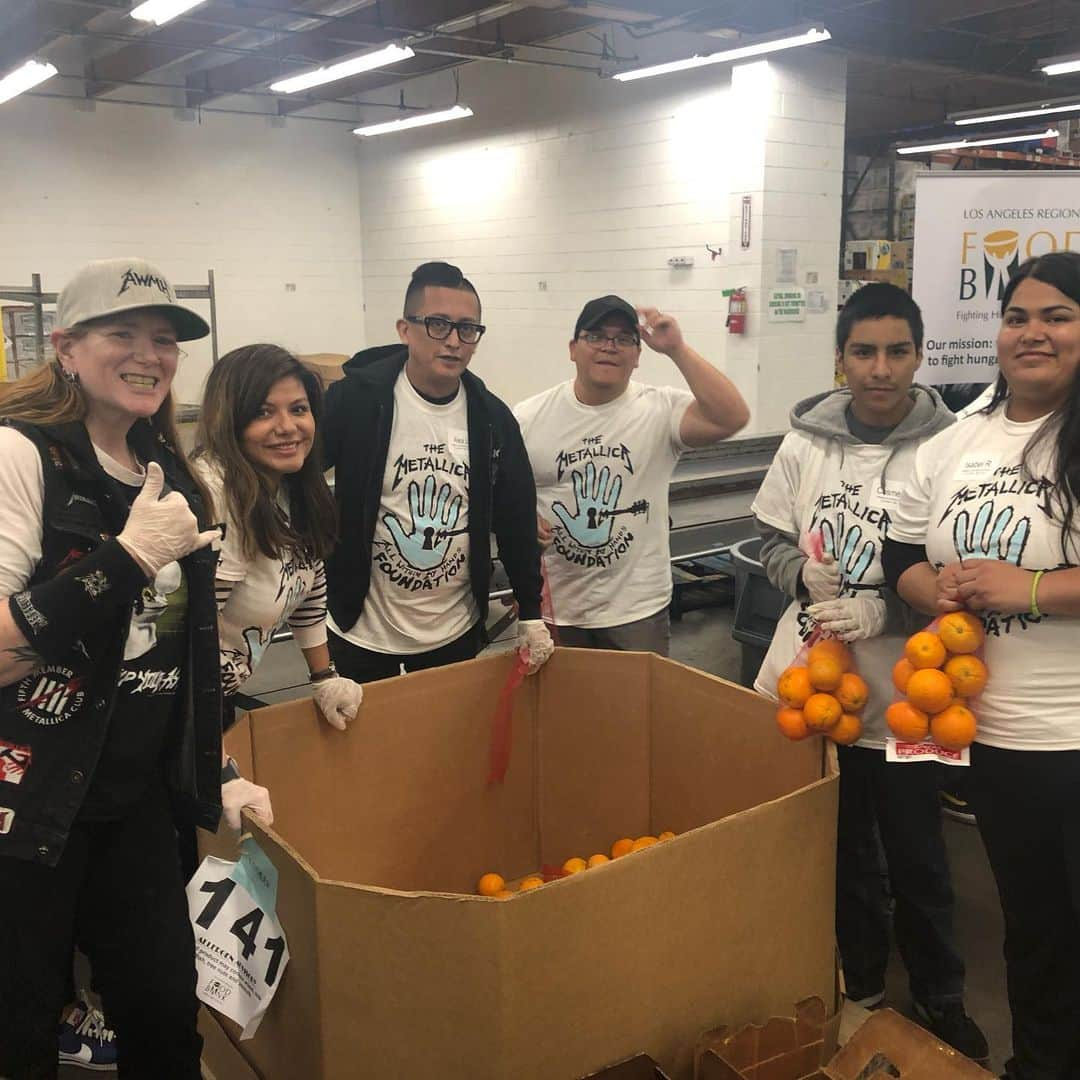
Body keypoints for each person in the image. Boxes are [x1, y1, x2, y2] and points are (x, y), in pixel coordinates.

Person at [0, 257, 271, 1078]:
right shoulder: (21, 456)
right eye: (122, 333)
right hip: (31, 804)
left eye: (165, 339)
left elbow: (173, 652)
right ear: (67, 347)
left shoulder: (172, 471)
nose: (148, 353)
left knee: (162, 1014)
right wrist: (121, 560)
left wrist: (208, 762)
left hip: (139, 805)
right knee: (20, 1027)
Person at [751, 283, 987, 1062]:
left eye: (896, 351)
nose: (879, 370)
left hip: (922, 701)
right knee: (845, 848)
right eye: (863, 352)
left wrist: (895, 609)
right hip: (821, 691)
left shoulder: (953, 449)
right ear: (841, 358)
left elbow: (959, 574)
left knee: (921, 853)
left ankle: (942, 996)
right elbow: (771, 534)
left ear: (920, 356)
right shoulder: (804, 444)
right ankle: (862, 984)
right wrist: (799, 579)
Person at [885, 251, 1080, 1080]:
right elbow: (900, 549)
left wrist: (1028, 587)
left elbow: (1029, 584)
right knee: (1033, 925)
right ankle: (1040, 1062)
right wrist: (938, 586)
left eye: (1057, 316)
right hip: (991, 736)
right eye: (1017, 316)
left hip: (1072, 734)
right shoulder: (957, 437)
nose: (1032, 333)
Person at [322, 261, 553, 682]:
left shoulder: (492, 418)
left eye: (468, 329)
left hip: (454, 631)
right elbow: (298, 471)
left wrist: (531, 611)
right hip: (361, 630)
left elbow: (516, 517)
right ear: (404, 329)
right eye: (437, 324)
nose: (453, 341)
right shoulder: (355, 400)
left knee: (445, 746)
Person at [513, 296, 748, 654]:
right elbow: (506, 494)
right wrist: (522, 521)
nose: (609, 347)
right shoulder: (529, 417)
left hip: (637, 610)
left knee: (635, 709)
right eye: (596, 336)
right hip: (557, 607)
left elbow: (732, 417)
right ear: (573, 348)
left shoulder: (660, 409)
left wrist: (676, 349)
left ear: (638, 357)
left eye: (624, 339)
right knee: (560, 710)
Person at [190, 344, 364, 729]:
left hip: (218, 695)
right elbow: (190, 632)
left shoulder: (290, 483)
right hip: (180, 707)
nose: (287, 427)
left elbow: (309, 580)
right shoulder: (217, 495)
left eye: (298, 410)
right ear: (229, 420)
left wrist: (324, 676)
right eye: (263, 412)